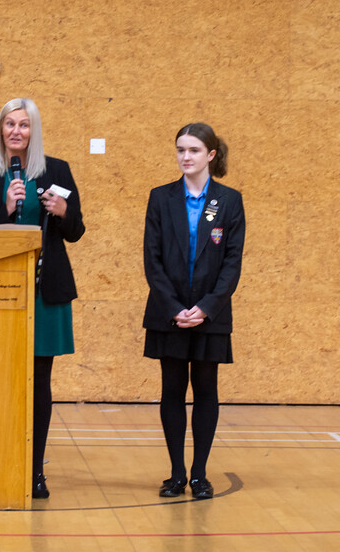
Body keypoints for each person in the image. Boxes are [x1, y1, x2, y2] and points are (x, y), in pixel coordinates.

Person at [0, 98, 85, 499]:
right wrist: (6, 206)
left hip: (44, 293)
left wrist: (64, 211)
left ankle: (35, 470)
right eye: (9, 124)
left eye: (24, 125)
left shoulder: (57, 171)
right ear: (0, 130)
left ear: (35, 130)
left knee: (39, 383)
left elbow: (75, 232)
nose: (16, 131)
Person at [143, 123, 245, 500]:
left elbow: (232, 263)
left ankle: (200, 474)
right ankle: (176, 474)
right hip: (168, 314)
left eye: (194, 151)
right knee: (172, 391)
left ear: (211, 155)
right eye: (180, 150)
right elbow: (152, 261)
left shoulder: (229, 201)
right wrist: (174, 308)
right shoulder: (161, 197)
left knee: (205, 391)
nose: (186, 157)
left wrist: (205, 308)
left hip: (210, 315)